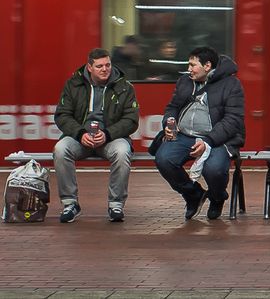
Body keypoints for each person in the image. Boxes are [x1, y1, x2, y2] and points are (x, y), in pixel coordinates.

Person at [155, 46, 246, 221]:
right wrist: (168, 122)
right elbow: (172, 107)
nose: (189, 69)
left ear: (207, 65)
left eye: (192, 65)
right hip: (184, 136)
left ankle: (217, 197)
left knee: (214, 170)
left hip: (218, 139)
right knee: (164, 159)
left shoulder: (231, 84)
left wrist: (208, 141)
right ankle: (193, 194)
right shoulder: (185, 81)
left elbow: (233, 120)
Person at [53, 48, 139, 223]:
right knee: (60, 149)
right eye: (99, 66)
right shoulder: (73, 84)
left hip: (110, 139)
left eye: (108, 65)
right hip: (80, 138)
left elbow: (131, 120)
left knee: (122, 152)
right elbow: (62, 115)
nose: (105, 69)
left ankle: (116, 204)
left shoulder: (125, 87)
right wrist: (80, 133)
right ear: (89, 67)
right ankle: (70, 203)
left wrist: (107, 134)